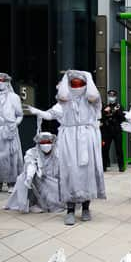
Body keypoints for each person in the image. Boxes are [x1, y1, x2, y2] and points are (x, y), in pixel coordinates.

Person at [27, 70, 106, 225]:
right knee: (70, 172)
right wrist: (38, 112)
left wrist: (88, 75)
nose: (77, 86)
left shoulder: (91, 100)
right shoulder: (64, 101)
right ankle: (70, 209)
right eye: (73, 83)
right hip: (68, 139)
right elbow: (52, 114)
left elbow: (93, 95)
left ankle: (85, 207)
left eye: (80, 83)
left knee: (86, 173)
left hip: (86, 138)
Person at [4, 132, 63, 213]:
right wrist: (29, 177)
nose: (46, 145)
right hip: (37, 180)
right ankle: (31, 204)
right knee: (22, 179)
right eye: (43, 143)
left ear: (52, 143)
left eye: (48, 142)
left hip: (53, 181)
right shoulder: (32, 152)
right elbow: (31, 165)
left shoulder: (58, 153)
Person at [0, 73, 24, 194]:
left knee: (11, 156)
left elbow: (19, 115)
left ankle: (12, 182)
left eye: (3, 80)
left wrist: (14, 125)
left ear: (8, 82)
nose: (0, 82)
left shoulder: (14, 97)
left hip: (9, 129)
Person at [101, 90, 125, 172]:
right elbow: (102, 118)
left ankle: (121, 166)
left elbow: (122, 118)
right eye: (110, 96)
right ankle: (104, 166)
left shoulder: (119, 106)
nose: (111, 97)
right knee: (105, 149)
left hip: (117, 130)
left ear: (116, 97)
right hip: (107, 131)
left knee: (119, 149)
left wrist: (116, 111)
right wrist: (106, 112)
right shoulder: (105, 107)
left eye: (113, 96)